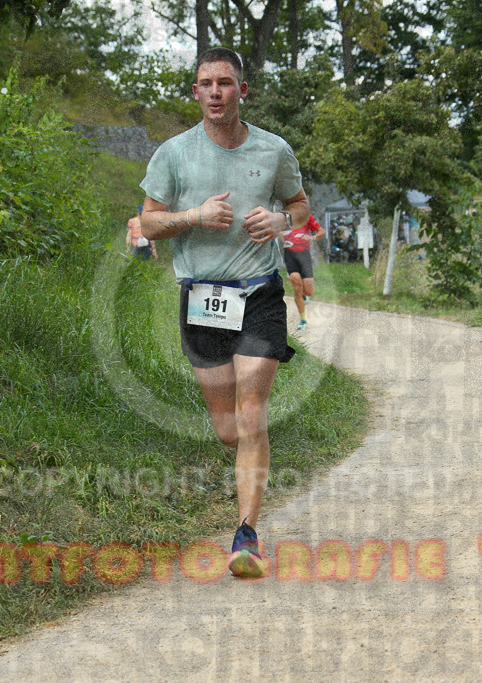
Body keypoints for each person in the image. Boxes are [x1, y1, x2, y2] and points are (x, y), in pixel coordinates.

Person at [138, 47, 310, 579]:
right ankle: (249, 468)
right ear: (196, 93)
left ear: (241, 90)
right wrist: (194, 215)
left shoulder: (273, 149)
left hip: (259, 294)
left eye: (226, 83)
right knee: (228, 429)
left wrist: (281, 221)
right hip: (201, 299)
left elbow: (302, 207)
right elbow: (148, 225)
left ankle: (247, 536)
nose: (216, 91)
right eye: (206, 83)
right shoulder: (173, 154)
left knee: (252, 413)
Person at [282, 213, 326, 330]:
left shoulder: (306, 216)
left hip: (304, 255)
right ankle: (303, 320)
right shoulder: (283, 217)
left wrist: (312, 238)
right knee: (297, 286)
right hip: (290, 255)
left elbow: (322, 232)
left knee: (309, 290)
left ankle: (305, 296)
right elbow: (274, 231)